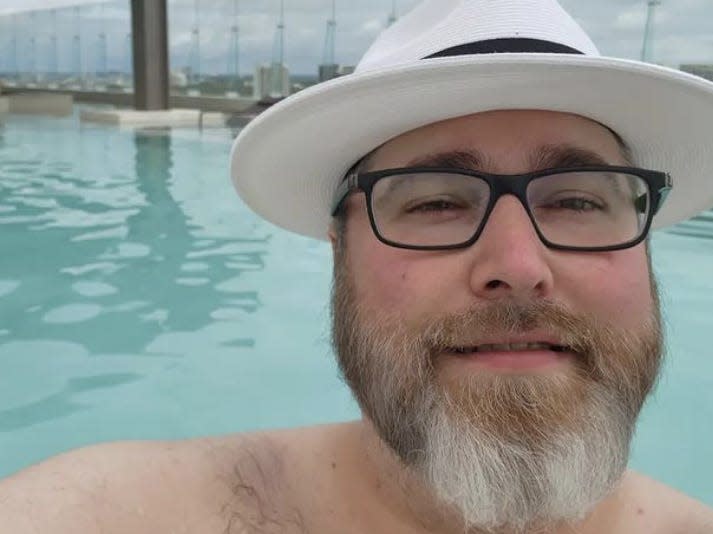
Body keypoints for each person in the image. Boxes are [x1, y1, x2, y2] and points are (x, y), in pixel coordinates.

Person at [2, 0, 713, 532]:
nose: (518, 265)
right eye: (437, 202)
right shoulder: (110, 514)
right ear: (338, 250)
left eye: (577, 202)